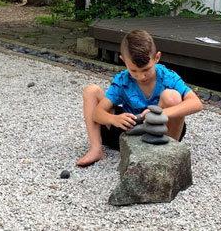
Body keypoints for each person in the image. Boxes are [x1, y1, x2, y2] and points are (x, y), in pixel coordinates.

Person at [76, 29, 203, 167]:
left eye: (146, 69)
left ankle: (167, 154)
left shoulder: (167, 77)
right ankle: (96, 149)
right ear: (123, 60)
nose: (141, 76)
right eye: (134, 71)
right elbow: (97, 113)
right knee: (91, 90)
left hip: (162, 131)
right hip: (128, 129)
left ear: (157, 57)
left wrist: (159, 114)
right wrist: (114, 119)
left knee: (172, 96)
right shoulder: (123, 80)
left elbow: (196, 104)